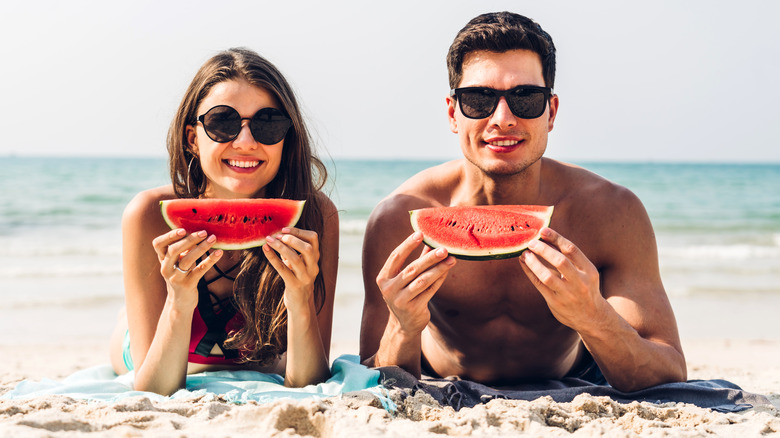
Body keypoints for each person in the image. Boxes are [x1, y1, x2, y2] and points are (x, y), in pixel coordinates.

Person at [359, 12, 686, 392]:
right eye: (479, 99)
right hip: (436, 372)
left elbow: (668, 372)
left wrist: (593, 316)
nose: (502, 118)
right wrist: (402, 327)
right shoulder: (399, 216)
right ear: (453, 113)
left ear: (551, 112)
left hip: (578, 371)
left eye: (526, 98)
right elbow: (375, 376)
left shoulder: (612, 213)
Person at [109, 48, 338, 395]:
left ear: (285, 140)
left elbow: (308, 383)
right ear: (192, 139)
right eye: (222, 123)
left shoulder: (315, 215)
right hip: (144, 344)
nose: (245, 142)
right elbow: (154, 391)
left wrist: (300, 296)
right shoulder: (149, 214)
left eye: (268, 124)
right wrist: (178, 301)